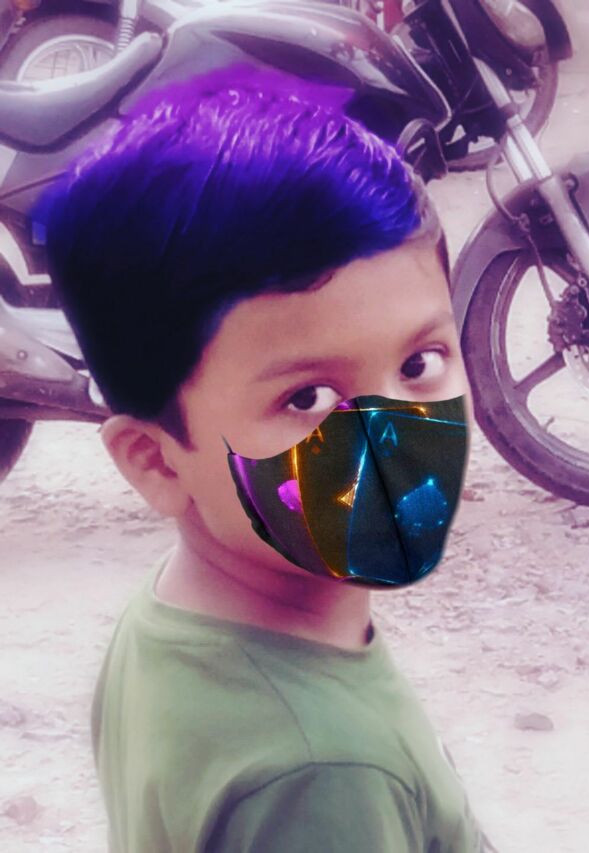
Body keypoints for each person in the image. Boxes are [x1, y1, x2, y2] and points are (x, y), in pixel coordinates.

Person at [37, 61, 498, 852]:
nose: (395, 437)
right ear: (156, 462)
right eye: (307, 398)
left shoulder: (172, 620)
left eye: (420, 363)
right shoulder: (326, 776)